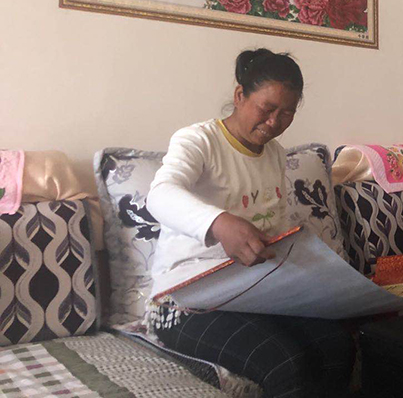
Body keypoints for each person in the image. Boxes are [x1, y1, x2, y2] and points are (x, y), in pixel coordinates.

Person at [146, 49, 354, 398]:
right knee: (284, 363)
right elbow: (160, 194)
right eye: (267, 108)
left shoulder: (274, 154)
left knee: (337, 346)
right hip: (184, 302)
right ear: (240, 95)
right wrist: (219, 223)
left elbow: (274, 227)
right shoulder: (198, 140)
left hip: (253, 293)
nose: (274, 122)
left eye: (287, 113)